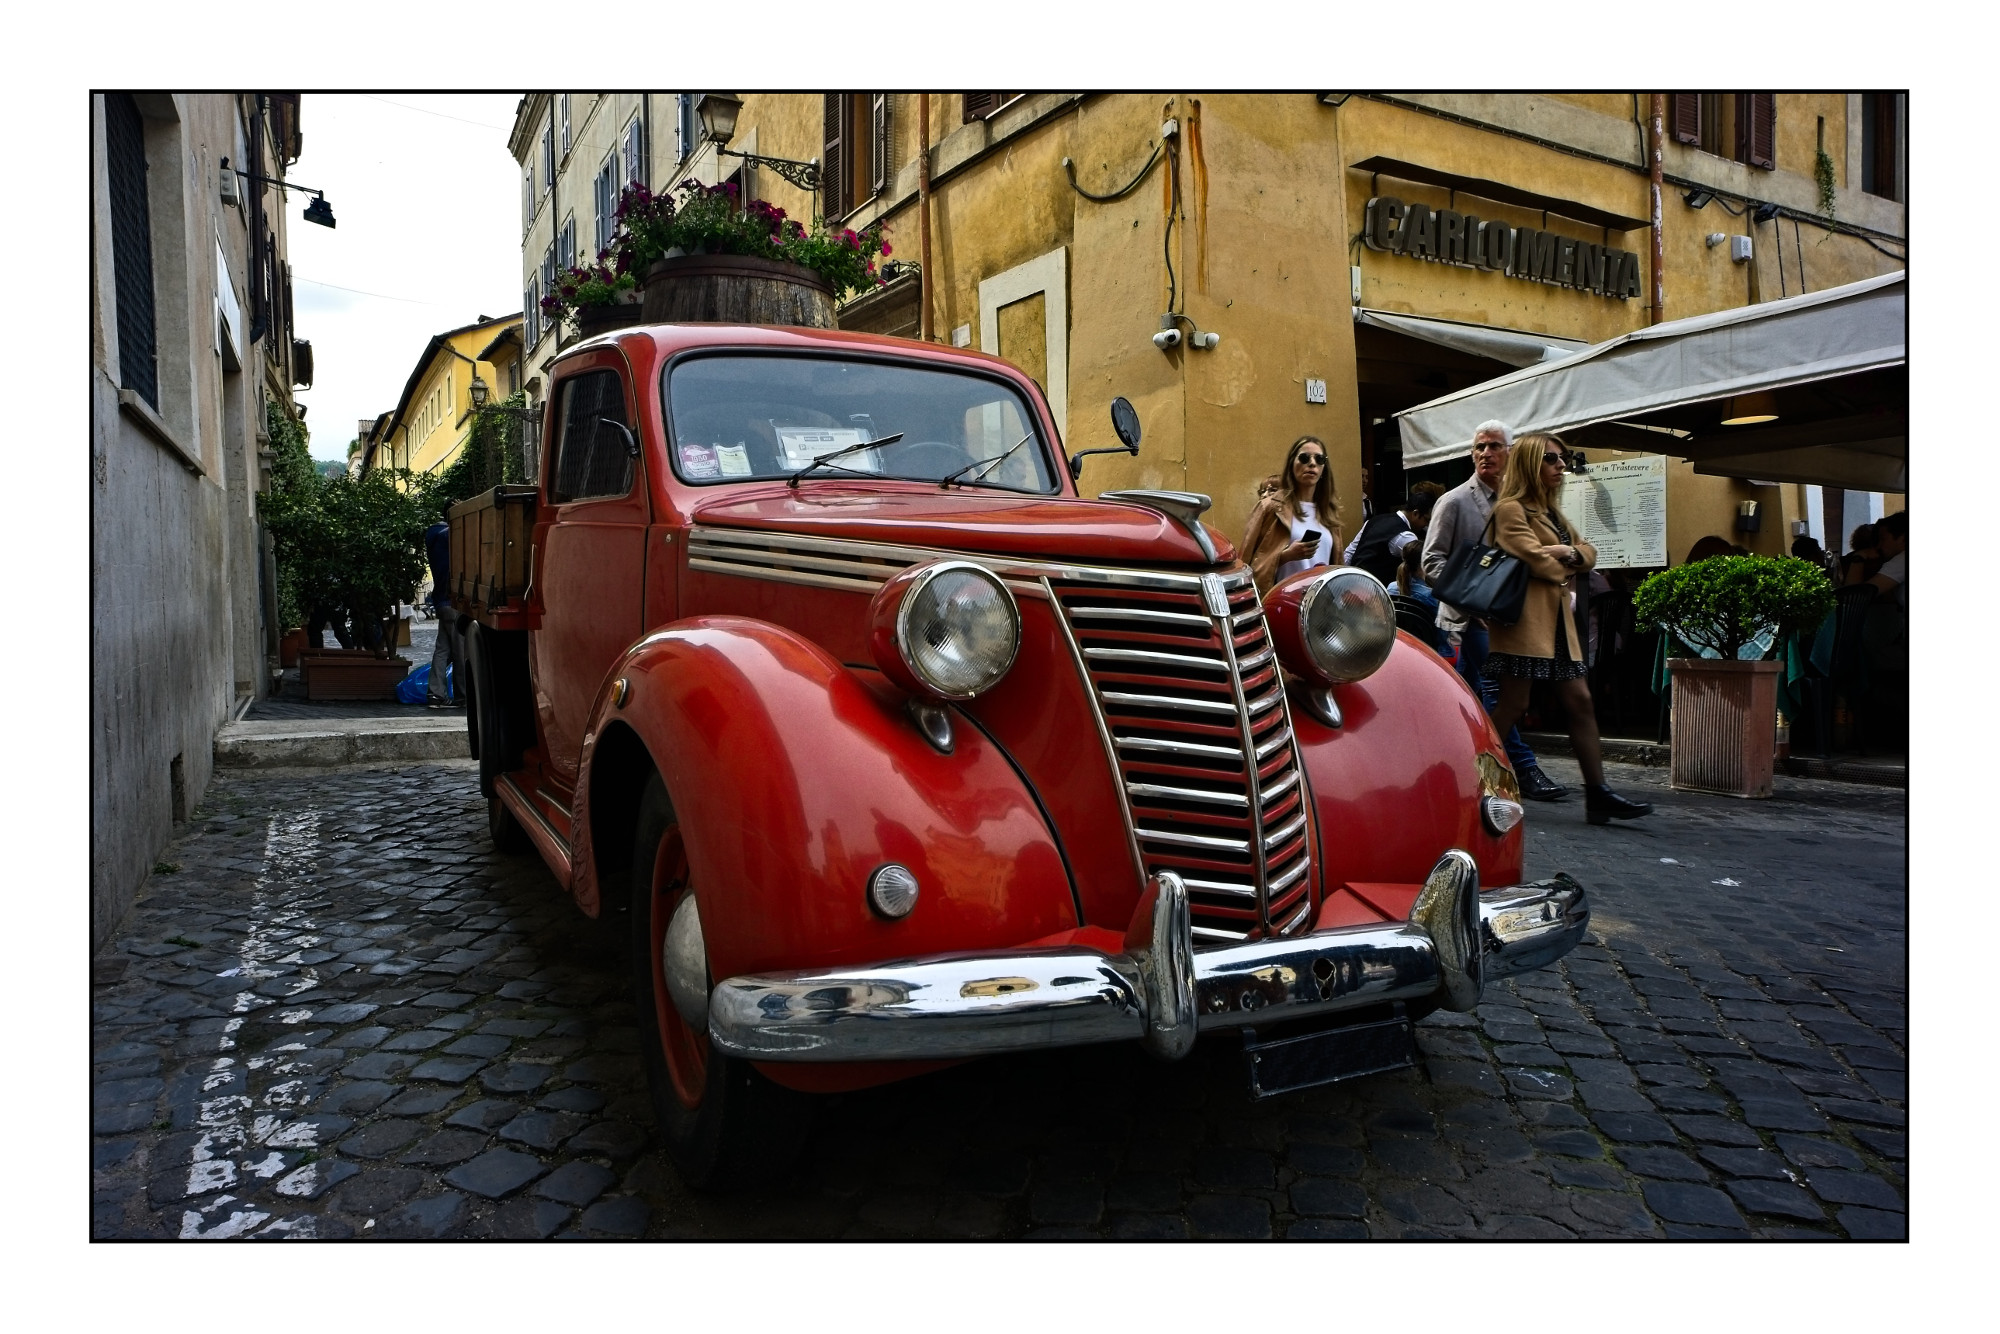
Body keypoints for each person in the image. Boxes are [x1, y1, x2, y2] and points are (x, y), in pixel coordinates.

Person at [1480, 433, 1651, 825]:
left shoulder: (1552, 514)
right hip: (1523, 623)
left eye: (1564, 458)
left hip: (1558, 625)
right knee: (1514, 705)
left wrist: (1567, 553)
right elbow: (1541, 564)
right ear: (1529, 464)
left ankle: (1598, 793)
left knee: (1581, 702)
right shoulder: (1510, 509)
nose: (1561, 466)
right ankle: (1470, 777)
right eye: (1552, 459)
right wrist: (1564, 557)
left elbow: (1588, 554)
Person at [1420, 420, 1564, 802]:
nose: (1486, 453)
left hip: (1510, 616)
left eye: (1495, 446)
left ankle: (1461, 767)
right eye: (1480, 447)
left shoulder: (1520, 504)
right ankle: (1523, 766)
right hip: (1466, 621)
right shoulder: (1453, 501)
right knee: (1495, 692)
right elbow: (1431, 562)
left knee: (1474, 699)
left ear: (1511, 453)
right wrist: (1473, 600)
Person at [1242, 435, 1342, 593]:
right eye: (1304, 457)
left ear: (1324, 468)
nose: (1312, 463)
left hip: (1319, 607)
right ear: (1291, 464)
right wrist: (1286, 556)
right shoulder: (1270, 508)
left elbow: (1337, 565)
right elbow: (1245, 565)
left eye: (1319, 459)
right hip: (1280, 604)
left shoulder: (1328, 513)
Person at [1346, 481, 1445, 584]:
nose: (1427, 524)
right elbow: (1423, 569)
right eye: (1426, 520)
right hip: (1376, 591)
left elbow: (1349, 553)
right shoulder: (1405, 536)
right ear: (1415, 513)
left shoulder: (1374, 520)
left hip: (1354, 582)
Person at [423, 519, 461, 708]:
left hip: (441, 601)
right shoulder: (449, 536)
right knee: (460, 650)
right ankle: (463, 697)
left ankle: (436, 694)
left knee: (442, 649)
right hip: (453, 601)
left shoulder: (433, 537)